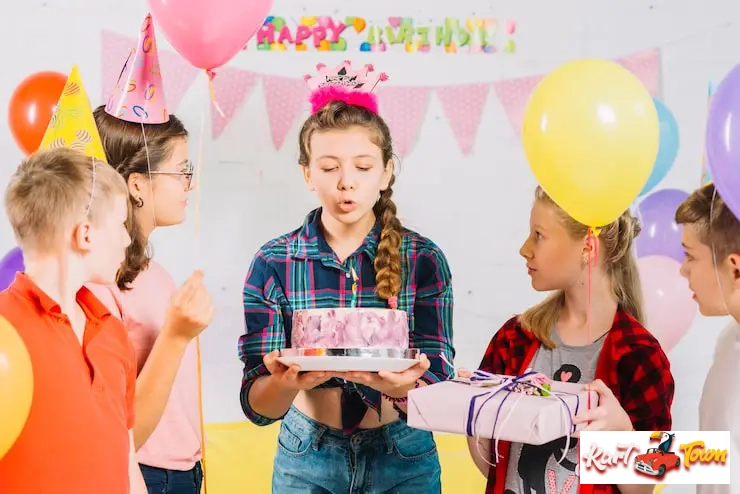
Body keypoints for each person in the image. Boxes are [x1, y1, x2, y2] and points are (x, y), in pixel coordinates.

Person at [239, 61, 455, 493]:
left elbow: (440, 379)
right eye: (329, 167)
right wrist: (283, 382)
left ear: (386, 171)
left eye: (362, 166)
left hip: (403, 452)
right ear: (307, 174)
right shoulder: (274, 262)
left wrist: (405, 385)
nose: (346, 184)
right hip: (307, 454)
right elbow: (257, 406)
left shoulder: (424, 259)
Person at [468, 186, 674, 494]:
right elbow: (495, 468)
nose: (525, 248)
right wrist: (471, 406)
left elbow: (643, 487)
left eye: (539, 234)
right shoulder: (514, 338)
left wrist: (621, 430)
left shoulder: (641, 356)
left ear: (587, 247)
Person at [86, 16, 215, 494]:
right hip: (145, 474)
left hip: (184, 471)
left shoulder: (153, 272)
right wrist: (178, 334)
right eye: (181, 171)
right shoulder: (102, 282)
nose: (189, 184)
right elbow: (121, 430)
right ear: (137, 184)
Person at [0, 148, 146, 493]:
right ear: (86, 235)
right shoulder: (4, 331)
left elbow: (126, 459)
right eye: (120, 224)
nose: (127, 239)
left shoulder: (111, 330)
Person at [675, 183, 740, 494]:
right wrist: (603, 453)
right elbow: (720, 455)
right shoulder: (730, 341)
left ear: (735, 269)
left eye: (690, 256)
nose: (683, 270)